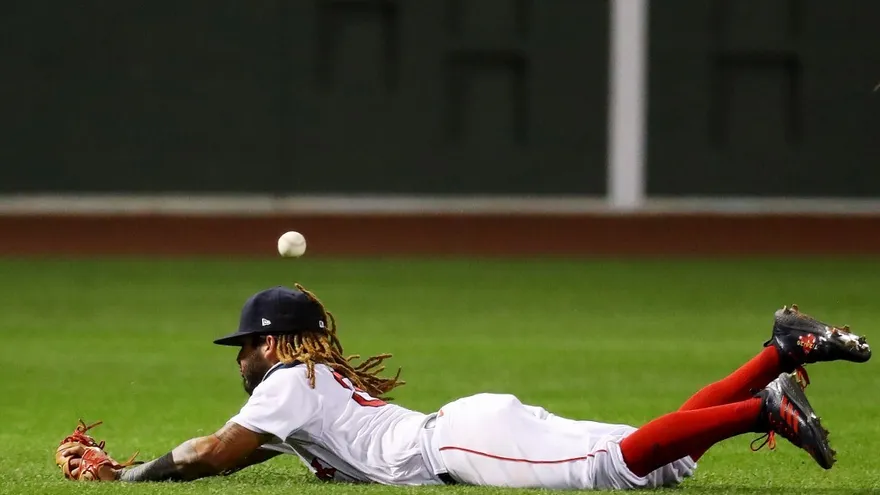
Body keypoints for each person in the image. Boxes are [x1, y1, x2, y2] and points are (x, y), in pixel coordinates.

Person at [58, 284, 872, 490]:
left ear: (269, 342)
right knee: (658, 460)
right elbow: (244, 457)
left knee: (615, 467)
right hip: (470, 424)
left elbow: (210, 453)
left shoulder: (284, 381)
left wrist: (124, 474)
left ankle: (764, 405)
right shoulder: (313, 385)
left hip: (453, 443)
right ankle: (778, 352)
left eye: (245, 344)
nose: (239, 356)